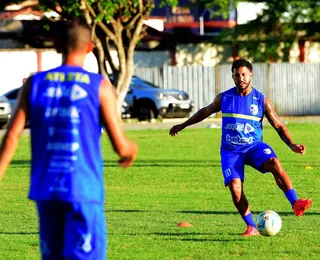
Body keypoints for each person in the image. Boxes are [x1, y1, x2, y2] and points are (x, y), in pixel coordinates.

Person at [0, 20, 138, 259]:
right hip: (82, 189)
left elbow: (12, 136)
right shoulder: (100, 87)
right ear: (90, 48)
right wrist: (130, 150)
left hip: (47, 190)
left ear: (56, 46)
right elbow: (120, 145)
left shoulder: (34, 84)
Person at [169, 58, 312, 237]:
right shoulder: (224, 98)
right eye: (237, 75)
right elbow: (204, 112)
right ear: (233, 77)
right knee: (235, 189)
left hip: (254, 147)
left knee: (274, 162)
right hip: (231, 151)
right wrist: (182, 125)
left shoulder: (261, 101)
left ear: (251, 75)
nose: (241, 78)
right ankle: (251, 227)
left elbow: (278, 125)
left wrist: (291, 144)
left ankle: (295, 202)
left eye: (244, 74)